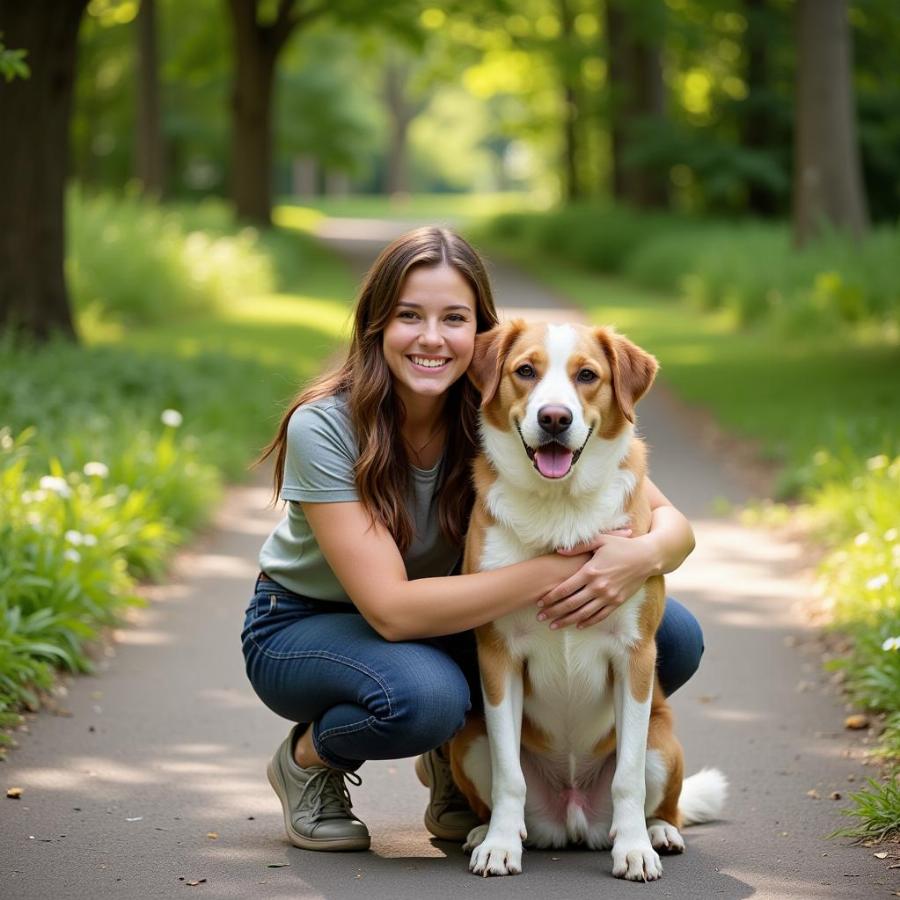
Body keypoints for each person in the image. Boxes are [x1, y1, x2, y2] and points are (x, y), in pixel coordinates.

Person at [242, 226, 702, 853]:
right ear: (376, 323)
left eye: (453, 318)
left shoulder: (502, 407)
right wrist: (571, 568)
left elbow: (670, 524)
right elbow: (392, 610)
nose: (432, 338)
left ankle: (457, 768)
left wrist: (640, 557)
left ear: (476, 335)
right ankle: (308, 761)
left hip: (447, 612)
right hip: (314, 622)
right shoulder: (326, 426)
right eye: (410, 316)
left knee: (670, 635)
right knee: (425, 698)